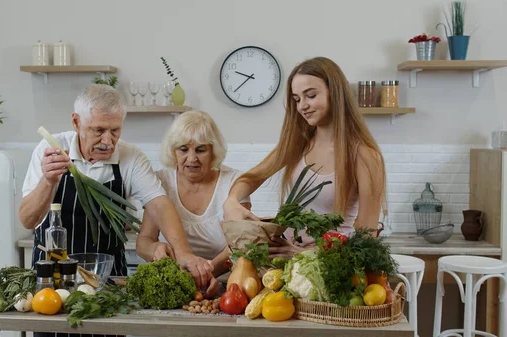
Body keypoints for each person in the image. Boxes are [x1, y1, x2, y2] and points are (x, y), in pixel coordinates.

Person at [19, 84, 213, 337]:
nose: (108, 141)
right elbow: (27, 219)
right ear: (77, 122)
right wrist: (48, 181)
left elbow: (159, 204)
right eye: (98, 130)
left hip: (107, 282)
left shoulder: (131, 157)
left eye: (115, 130)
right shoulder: (51, 151)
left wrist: (184, 253)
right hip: (51, 282)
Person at [223, 56, 386, 257]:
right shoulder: (298, 145)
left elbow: (366, 238)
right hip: (286, 262)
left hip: (331, 265)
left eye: (310, 95)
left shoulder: (364, 156)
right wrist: (231, 200)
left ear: (334, 92)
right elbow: (252, 178)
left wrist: (302, 253)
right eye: (297, 99)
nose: (302, 106)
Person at [136, 110, 251, 297]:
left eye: (200, 149)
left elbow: (242, 243)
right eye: (183, 149)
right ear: (173, 150)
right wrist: (155, 249)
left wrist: (207, 272)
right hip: (171, 286)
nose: (191, 159)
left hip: (225, 287)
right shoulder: (160, 182)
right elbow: (144, 242)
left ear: (213, 151)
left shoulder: (234, 183)